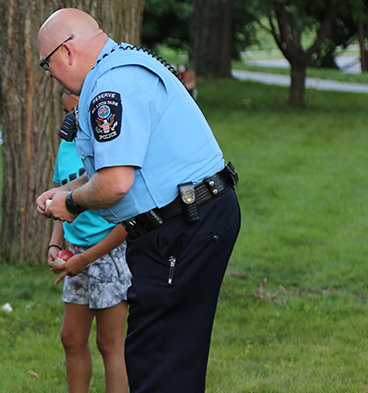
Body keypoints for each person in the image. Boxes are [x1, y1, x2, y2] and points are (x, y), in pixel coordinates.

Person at [34, 9, 241, 393]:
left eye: (46, 64)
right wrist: (70, 189)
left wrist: (73, 204)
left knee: (159, 360)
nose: (49, 75)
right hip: (191, 216)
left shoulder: (111, 87)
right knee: (172, 354)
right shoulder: (124, 65)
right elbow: (122, 165)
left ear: (66, 52)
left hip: (182, 226)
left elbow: (115, 183)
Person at [47, 88, 130, 393]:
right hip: (75, 252)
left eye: (79, 114)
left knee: (110, 344)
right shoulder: (67, 146)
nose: (73, 122)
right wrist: (56, 244)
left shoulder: (113, 148)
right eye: (69, 114)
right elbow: (61, 199)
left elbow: (129, 223)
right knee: (71, 338)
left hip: (110, 252)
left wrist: (85, 258)